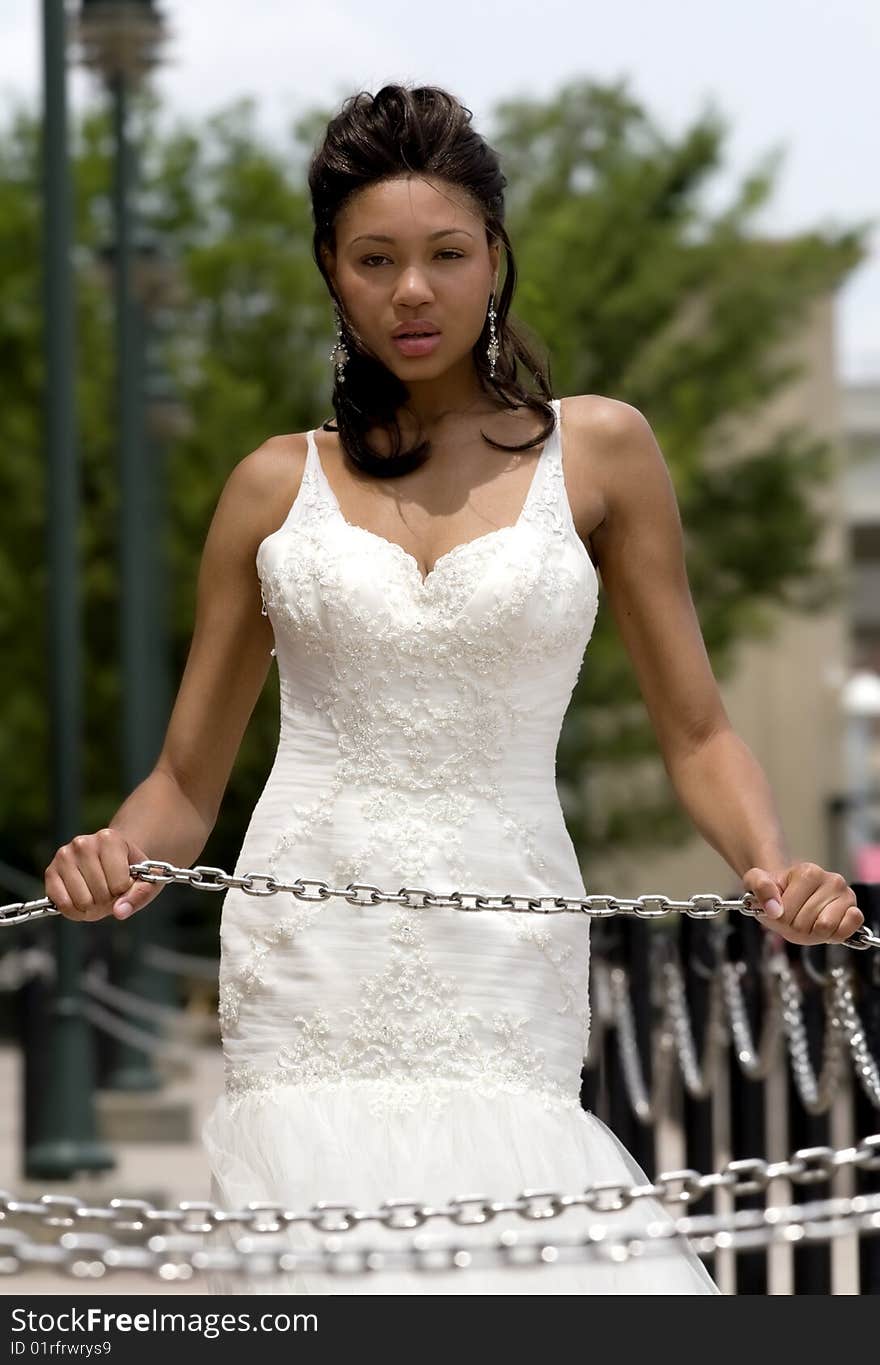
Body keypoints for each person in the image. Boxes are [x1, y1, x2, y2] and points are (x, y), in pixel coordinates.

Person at [45, 83, 863, 1295]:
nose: (411, 291)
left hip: (503, 938)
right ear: (332, 270)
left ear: (495, 259)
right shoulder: (272, 485)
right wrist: (108, 856)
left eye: (444, 255)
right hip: (307, 948)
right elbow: (183, 783)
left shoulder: (602, 452)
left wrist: (769, 864)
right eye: (374, 260)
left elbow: (696, 731)